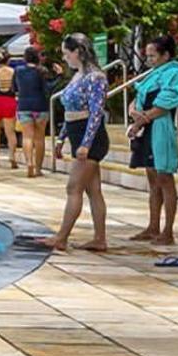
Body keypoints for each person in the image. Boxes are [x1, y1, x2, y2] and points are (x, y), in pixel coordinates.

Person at [39, 33, 110, 253]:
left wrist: (86, 144)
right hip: (77, 132)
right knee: (93, 190)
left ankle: (62, 237)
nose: (64, 58)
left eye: (66, 53)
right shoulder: (78, 76)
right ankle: (99, 239)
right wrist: (62, 138)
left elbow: (96, 113)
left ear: (78, 52)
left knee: (74, 187)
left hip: (90, 137)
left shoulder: (95, 78)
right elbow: (70, 112)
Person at [129, 34, 178, 246]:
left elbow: (167, 101)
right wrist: (133, 111)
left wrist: (142, 119)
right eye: (147, 56)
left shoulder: (175, 72)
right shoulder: (153, 73)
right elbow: (139, 96)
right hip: (147, 128)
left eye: (153, 56)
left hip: (160, 128)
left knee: (165, 178)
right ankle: (153, 226)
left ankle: (168, 230)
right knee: (153, 179)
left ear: (166, 55)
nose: (149, 60)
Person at [13, 46, 54, 177]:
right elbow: (48, 89)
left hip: (24, 105)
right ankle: (38, 169)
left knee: (27, 137)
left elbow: (14, 87)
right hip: (41, 106)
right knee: (39, 139)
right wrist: (59, 76)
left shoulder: (18, 71)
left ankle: (29, 163)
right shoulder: (42, 71)